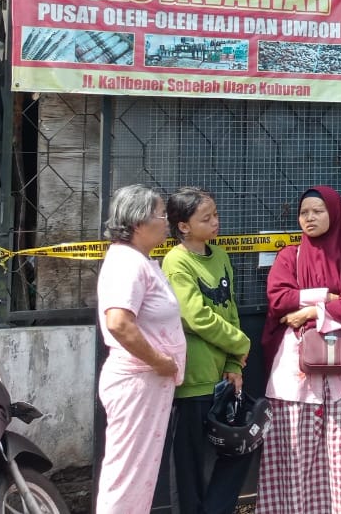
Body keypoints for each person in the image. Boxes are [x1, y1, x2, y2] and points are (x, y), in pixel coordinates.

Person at [258, 186, 341, 514]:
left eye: (318, 210)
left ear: (334, 213)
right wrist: (326, 298)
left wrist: (312, 311)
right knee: (295, 453)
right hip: (296, 372)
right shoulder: (290, 255)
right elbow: (278, 299)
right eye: (304, 212)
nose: (310, 218)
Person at [96, 184, 187, 513]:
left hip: (150, 383)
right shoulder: (126, 264)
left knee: (141, 473)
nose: (167, 221)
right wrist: (160, 361)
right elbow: (119, 323)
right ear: (137, 223)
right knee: (128, 473)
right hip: (137, 382)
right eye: (161, 215)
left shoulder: (143, 260)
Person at [162, 187, 253, 514]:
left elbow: (230, 312)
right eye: (206, 217)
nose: (215, 222)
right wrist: (241, 343)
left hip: (224, 379)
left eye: (215, 215)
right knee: (188, 467)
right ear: (183, 226)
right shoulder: (176, 261)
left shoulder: (221, 256)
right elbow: (195, 316)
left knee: (241, 449)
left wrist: (235, 362)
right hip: (191, 380)